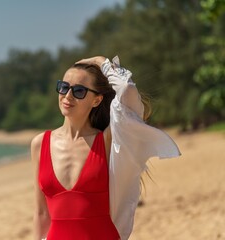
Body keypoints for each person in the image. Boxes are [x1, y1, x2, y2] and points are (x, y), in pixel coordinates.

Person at [31, 56, 181, 240]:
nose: (68, 96)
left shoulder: (107, 140)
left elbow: (127, 92)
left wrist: (102, 62)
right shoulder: (40, 144)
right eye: (63, 87)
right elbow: (41, 214)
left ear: (96, 100)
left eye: (79, 91)